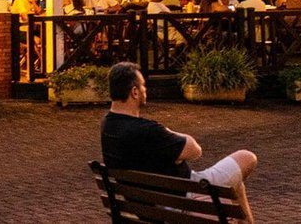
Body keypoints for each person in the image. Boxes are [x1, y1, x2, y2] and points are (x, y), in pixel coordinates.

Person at [100, 62, 257, 218]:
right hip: (183, 198)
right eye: (143, 85)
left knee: (235, 184)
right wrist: (168, 132)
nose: (145, 89)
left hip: (148, 208)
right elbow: (195, 150)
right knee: (247, 157)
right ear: (134, 92)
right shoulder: (148, 130)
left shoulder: (107, 127)